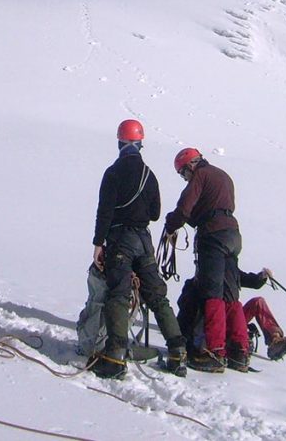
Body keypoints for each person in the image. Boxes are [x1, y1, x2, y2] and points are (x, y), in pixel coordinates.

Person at [89, 119, 188, 379]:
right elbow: (155, 213)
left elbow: (105, 212)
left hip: (120, 239)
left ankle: (114, 356)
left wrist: (99, 243)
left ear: (120, 142)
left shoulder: (113, 172)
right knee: (156, 295)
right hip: (144, 240)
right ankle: (178, 352)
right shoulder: (149, 175)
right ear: (140, 143)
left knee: (118, 295)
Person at [164, 148, 248, 372]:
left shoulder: (200, 176)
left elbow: (184, 208)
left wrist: (170, 225)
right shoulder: (222, 175)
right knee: (231, 294)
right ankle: (240, 352)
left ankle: (215, 351)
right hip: (233, 234)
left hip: (212, 236)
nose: (185, 178)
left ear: (189, 165)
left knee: (212, 294)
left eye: (183, 174)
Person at [177, 266, 286, 367]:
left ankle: (275, 340)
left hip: (230, 320)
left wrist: (261, 277)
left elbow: (248, 280)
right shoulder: (201, 280)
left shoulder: (226, 270)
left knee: (258, 302)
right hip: (214, 326)